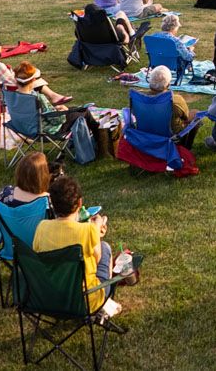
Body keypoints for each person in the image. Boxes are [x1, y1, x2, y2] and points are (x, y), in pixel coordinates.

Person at [33, 174, 122, 316]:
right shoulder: (88, 231)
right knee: (104, 247)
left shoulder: (41, 227)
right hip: (85, 300)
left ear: (53, 204)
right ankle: (105, 304)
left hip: (50, 298)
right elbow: (97, 260)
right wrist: (98, 226)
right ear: (79, 203)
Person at [142, 65, 198, 147]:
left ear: (150, 83)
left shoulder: (140, 97)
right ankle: (186, 148)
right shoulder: (175, 100)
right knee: (196, 114)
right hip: (171, 137)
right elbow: (185, 117)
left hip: (146, 134)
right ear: (168, 84)